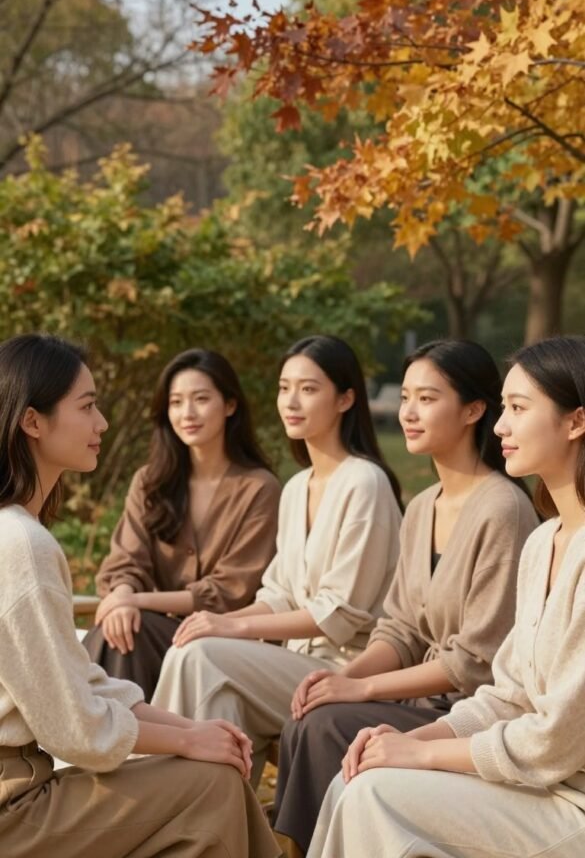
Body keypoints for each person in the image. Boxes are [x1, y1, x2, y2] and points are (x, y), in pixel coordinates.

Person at [0, 333, 280, 858]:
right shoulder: (19, 543)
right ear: (33, 422)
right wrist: (189, 741)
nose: (102, 423)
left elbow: (81, 683)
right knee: (211, 783)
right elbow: (76, 729)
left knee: (208, 775)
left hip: (22, 788)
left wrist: (192, 728)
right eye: (87, 407)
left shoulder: (18, 534)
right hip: (12, 811)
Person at [308, 335, 585, 858]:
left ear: (576, 422)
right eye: (504, 408)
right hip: (536, 784)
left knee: (375, 793)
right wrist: (421, 737)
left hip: (571, 800)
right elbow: (509, 695)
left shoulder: (521, 519)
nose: (501, 426)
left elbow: (554, 741)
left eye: (519, 409)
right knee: (358, 780)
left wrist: (423, 754)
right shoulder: (544, 542)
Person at [151, 334, 403, 785]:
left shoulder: (365, 483)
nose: (291, 401)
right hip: (291, 669)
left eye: (308, 389)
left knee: (203, 656)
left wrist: (230, 625)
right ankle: (217, 830)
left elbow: (339, 614)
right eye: (284, 388)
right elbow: (280, 594)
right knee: (211, 690)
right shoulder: (295, 487)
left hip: (344, 672)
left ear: (346, 398)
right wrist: (217, 624)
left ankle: (154, 797)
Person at [83, 348, 280, 700]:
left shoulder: (259, 489)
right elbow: (127, 561)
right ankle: (114, 743)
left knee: (128, 631)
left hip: (224, 642)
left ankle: (104, 745)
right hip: (152, 637)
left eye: (201, 399)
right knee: (121, 629)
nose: (187, 413)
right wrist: (124, 594)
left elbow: (229, 591)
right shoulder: (150, 482)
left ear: (230, 405)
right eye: (176, 402)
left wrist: (135, 601)